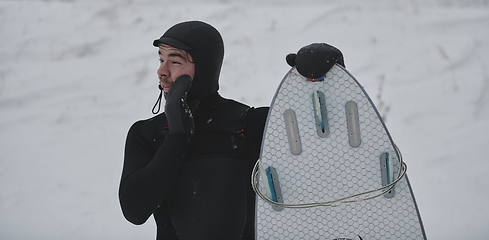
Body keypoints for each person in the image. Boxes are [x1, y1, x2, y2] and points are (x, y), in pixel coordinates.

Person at [118, 20, 345, 240]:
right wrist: (177, 137)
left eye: (175, 62)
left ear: (205, 67)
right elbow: (135, 211)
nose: (162, 71)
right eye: (161, 59)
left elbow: (328, 140)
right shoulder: (147, 134)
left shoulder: (251, 124)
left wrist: (329, 82)